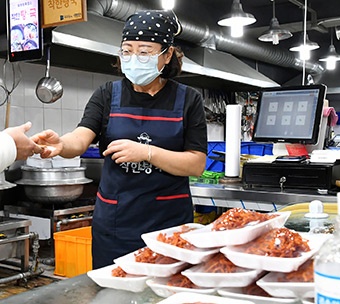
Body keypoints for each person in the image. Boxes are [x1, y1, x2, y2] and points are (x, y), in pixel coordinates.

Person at [32, 10, 208, 269]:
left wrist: (148, 153)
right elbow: (81, 137)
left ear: (167, 54)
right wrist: (61, 146)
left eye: (145, 51)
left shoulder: (188, 99)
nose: (134, 58)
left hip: (168, 225)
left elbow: (196, 164)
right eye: (127, 50)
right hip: (115, 224)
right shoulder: (107, 95)